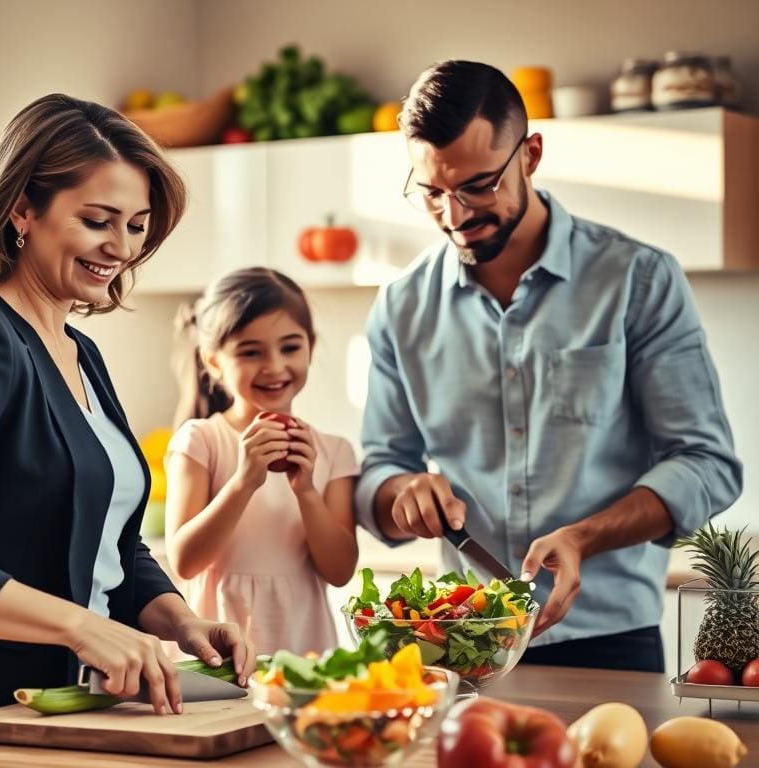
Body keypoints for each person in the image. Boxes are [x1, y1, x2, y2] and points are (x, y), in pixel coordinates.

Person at [0, 94, 256, 748]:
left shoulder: (77, 350)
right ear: (22, 209)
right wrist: (79, 625)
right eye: (98, 220)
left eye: (136, 225)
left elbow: (107, 542)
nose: (121, 247)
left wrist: (178, 620)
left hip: (58, 712)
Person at [356, 61, 742, 672]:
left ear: (530, 155)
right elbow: (379, 468)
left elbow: (706, 463)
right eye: (432, 192)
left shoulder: (637, 280)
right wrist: (401, 492)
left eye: (479, 186)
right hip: (465, 643)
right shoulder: (400, 306)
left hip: (612, 642)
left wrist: (585, 536)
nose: (455, 215)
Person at [164, 267, 359, 655]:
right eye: (250, 352)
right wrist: (243, 482)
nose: (273, 366)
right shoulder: (201, 439)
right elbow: (184, 562)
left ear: (311, 347)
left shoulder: (335, 451)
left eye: (290, 347)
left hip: (303, 646)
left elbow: (340, 571)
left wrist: (306, 490)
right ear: (214, 362)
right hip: (218, 645)